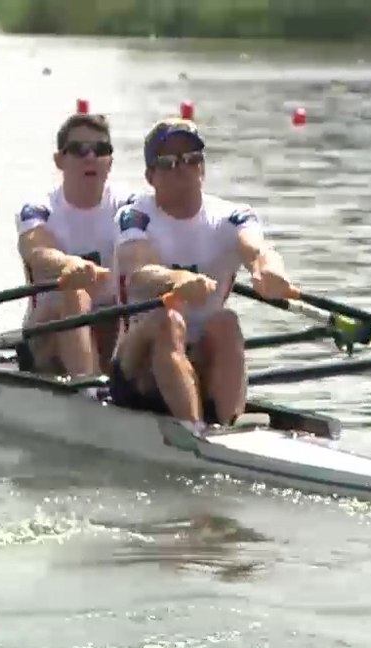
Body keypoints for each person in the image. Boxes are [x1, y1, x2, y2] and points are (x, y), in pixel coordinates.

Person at [108, 117, 298, 432]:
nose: (182, 168)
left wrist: (270, 271)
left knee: (226, 321)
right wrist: (176, 280)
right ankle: (194, 429)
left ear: (203, 168)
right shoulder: (134, 215)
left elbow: (258, 250)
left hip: (201, 361)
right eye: (168, 162)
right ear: (150, 176)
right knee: (168, 319)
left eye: (192, 159)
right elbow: (139, 271)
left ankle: (227, 426)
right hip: (138, 370)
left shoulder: (233, 216)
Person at [14, 112, 136, 377]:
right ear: (60, 160)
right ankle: (90, 389)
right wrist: (70, 264)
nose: (91, 157)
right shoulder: (39, 208)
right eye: (79, 150)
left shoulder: (130, 207)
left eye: (100, 150)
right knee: (75, 293)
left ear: (110, 161)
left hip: (109, 330)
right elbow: (38, 251)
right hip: (46, 337)